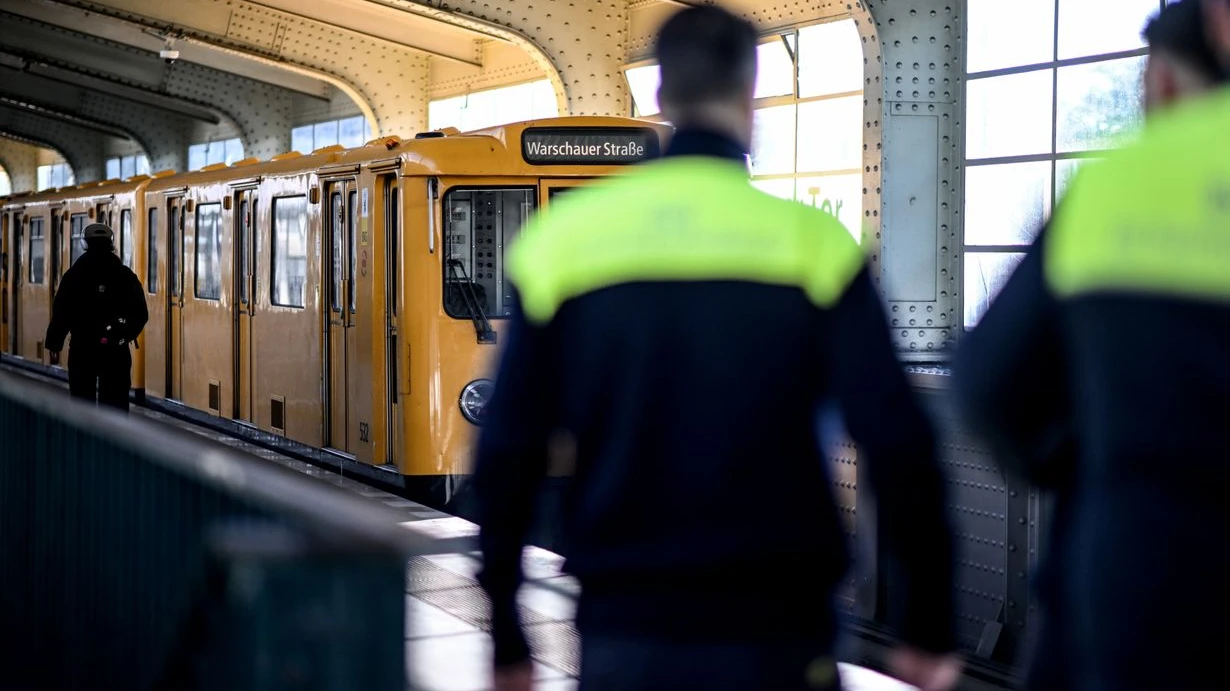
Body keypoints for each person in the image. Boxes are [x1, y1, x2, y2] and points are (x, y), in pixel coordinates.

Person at [470, 6, 961, 691]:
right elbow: (899, 443)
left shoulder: (562, 246)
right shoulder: (814, 247)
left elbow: (507, 451)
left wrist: (505, 630)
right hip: (780, 630)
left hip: (626, 628)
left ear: (663, 98)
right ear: (748, 95)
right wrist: (929, 622)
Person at [952, 2, 1230, 689]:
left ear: (1162, 84)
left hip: (1141, 574)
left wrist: (1085, 464)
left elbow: (986, 387)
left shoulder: (1119, 185)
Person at [45, 222, 148, 411]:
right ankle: (112, 439)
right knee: (115, 404)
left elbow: (62, 312)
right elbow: (141, 313)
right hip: (115, 350)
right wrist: (125, 334)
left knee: (82, 403)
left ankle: (85, 439)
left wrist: (54, 343)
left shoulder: (74, 275)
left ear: (85, 244)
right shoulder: (124, 275)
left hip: (82, 348)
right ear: (110, 243)